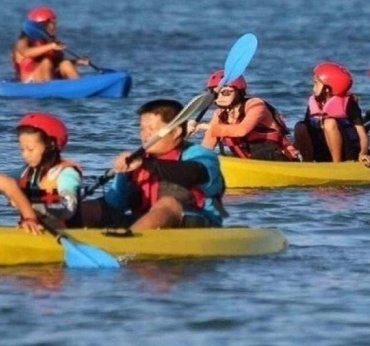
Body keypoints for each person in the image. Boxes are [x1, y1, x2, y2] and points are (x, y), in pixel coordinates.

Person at [80, 99, 226, 230]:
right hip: (146, 222)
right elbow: (115, 203)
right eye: (142, 129)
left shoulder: (200, 155)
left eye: (151, 129)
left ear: (175, 132)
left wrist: (145, 164)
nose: (145, 135)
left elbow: (194, 173)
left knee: (168, 203)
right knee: (90, 209)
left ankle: (127, 243)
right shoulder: (138, 160)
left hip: (198, 222)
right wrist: (123, 174)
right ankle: (61, 234)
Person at [200, 70, 301, 161]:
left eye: (226, 92)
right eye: (216, 93)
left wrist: (208, 127)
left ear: (238, 91)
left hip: (276, 157)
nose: (220, 97)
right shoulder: (220, 114)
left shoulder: (256, 104)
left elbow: (242, 130)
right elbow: (207, 146)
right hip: (248, 161)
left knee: (262, 153)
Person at [293, 62, 370, 165]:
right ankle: (307, 163)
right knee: (300, 126)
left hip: (347, 152)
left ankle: (337, 165)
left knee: (329, 122)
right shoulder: (315, 103)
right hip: (322, 152)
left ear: (327, 88)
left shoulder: (349, 104)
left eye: (316, 84)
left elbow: (363, 135)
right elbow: (306, 132)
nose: (313, 88)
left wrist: (363, 153)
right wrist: (291, 148)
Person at [17, 113, 84, 228]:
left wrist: (33, 205)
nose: (25, 155)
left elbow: (68, 209)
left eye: (30, 149)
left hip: (65, 233)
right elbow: (3, 182)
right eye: (22, 149)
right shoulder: (26, 172)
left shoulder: (67, 174)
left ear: (51, 145)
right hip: (32, 230)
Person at [12, 7, 89, 82]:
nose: (56, 26)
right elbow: (25, 52)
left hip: (49, 77)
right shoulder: (23, 41)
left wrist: (77, 62)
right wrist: (51, 46)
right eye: (52, 23)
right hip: (30, 82)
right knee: (47, 61)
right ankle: (50, 89)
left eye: (55, 23)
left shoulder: (49, 41)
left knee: (65, 63)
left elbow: (58, 62)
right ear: (41, 25)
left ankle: (79, 85)